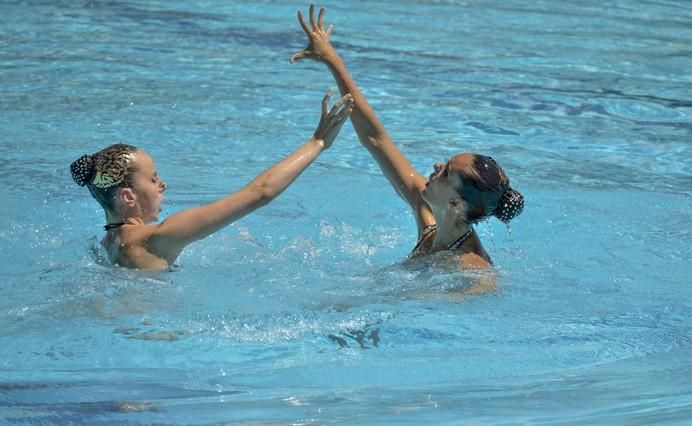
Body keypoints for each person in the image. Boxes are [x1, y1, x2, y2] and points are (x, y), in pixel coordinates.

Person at [291, 5, 523, 269]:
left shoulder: (473, 269)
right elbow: (376, 139)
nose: (437, 166)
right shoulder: (430, 216)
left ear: (455, 204)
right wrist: (333, 60)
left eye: (446, 172)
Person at [70, 91, 354, 270]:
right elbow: (261, 192)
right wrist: (317, 143)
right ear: (128, 196)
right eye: (153, 179)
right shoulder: (157, 238)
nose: (162, 185)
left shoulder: (105, 246)